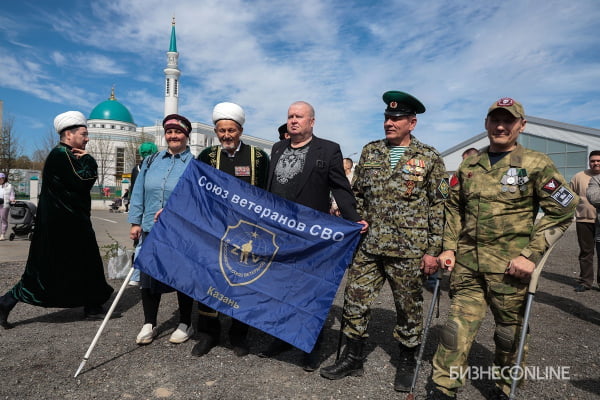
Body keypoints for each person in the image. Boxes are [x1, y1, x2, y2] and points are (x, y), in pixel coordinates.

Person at [428, 98, 577, 400]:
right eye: (494, 120)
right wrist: (448, 248)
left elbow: (563, 209)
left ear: (521, 125)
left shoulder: (536, 164)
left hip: (510, 271)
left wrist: (531, 255)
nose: (500, 126)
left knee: (508, 336)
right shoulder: (470, 164)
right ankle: (444, 389)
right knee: (454, 332)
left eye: (508, 121)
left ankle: (504, 389)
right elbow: (454, 208)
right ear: (485, 124)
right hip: (467, 267)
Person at [320, 91, 448, 392]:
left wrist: (433, 251)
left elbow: (438, 206)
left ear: (412, 123)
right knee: (355, 300)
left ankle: (406, 360)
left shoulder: (429, 157)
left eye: (396, 118)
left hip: (408, 247)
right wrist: (355, 223)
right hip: (370, 243)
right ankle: (352, 358)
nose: (389, 122)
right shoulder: (370, 151)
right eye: (387, 118)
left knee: (408, 306)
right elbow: (359, 194)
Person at [259, 101, 368, 372]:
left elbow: (340, 188)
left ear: (312, 122)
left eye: (299, 116)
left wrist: (353, 218)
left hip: (310, 236)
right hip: (278, 233)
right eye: (290, 116)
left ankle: (309, 344)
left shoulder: (328, 149)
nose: (294, 120)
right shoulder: (277, 148)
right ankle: (281, 337)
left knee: (309, 290)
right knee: (280, 286)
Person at [0, 111, 115, 328]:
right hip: (64, 226)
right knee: (46, 270)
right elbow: (84, 180)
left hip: (72, 223)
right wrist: (89, 160)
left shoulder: (68, 155)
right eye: (84, 134)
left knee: (86, 264)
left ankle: (92, 304)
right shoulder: (61, 155)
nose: (87, 138)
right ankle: (6, 302)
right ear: (69, 134)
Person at [191, 102, 270, 358]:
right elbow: (196, 194)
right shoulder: (206, 157)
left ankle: (239, 335)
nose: (226, 135)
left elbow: (268, 198)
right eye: (221, 130)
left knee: (242, 283)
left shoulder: (258, 158)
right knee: (209, 283)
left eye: (231, 130)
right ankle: (208, 334)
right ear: (216, 131)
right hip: (213, 234)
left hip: (247, 235)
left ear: (240, 130)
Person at [128, 114, 195, 345]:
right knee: (149, 277)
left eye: (178, 132)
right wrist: (136, 222)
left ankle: (186, 322)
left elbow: (195, 200)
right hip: (151, 228)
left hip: (180, 232)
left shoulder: (194, 165)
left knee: (182, 277)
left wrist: (174, 212)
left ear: (186, 136)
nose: (173, 136)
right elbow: (139, 192)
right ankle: (149, 322)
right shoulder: (150, 162)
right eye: (169, 132)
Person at [128, 142, 159, 286]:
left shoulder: (137, 168)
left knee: (140, 244)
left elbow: (134, 190)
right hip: (150, 209)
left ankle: (136, 275)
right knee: (143, 243)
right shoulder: (154, 166)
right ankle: (137, 275)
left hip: (142, 208)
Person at [570, 151, 600, 292]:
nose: (596, 163)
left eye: (598, 160)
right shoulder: (579, 177)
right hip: (584, 220)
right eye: (593, 161)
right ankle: (586, 281)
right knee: (586, 252)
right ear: (589, 161)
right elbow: (570, 197)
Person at [0, 172, 15, 241]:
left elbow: (12, 195)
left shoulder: (9, 186)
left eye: (1, 179)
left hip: (5, 205)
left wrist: (12, 199)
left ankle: (3, 234)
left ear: (4, 178)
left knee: (3, 219)